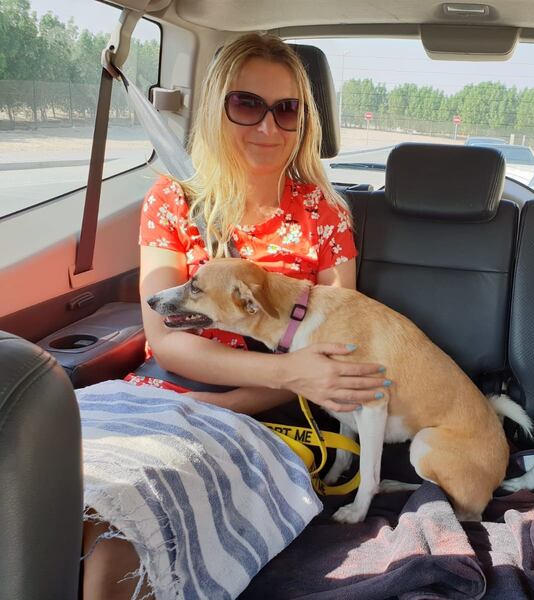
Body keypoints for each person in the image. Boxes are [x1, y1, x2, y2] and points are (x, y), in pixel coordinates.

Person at [80, 33, 389, 599]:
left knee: (119, 534)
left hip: (269, 413)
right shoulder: (173, 199)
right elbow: (168, 342)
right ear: (217, 106)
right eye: (247, 105)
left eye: (286, 109)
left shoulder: (325, 213)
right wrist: (284, 372)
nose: (268, 128)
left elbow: (334, 360)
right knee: (47, 480)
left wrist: (234, 401)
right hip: (159, 389)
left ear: (305, 120)